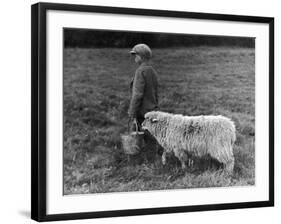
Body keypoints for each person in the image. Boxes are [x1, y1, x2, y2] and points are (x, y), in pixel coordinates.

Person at [128, 43, 159, 131]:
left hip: (142, 113)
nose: (135, 58)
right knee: (151, 136)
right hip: (153, 112)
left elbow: (137, 95)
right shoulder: (152, 71)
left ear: (141, 56)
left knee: (138, 139)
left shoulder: (140, 71)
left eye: (135, 56)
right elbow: (155, 93)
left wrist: (132, 113)